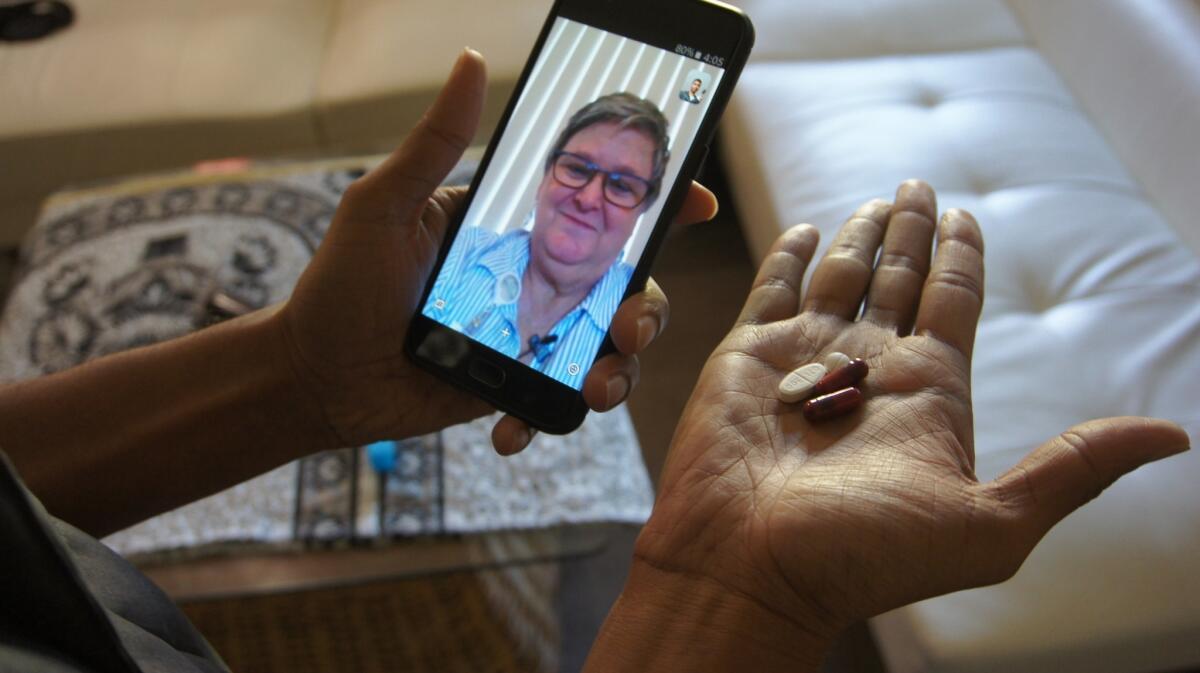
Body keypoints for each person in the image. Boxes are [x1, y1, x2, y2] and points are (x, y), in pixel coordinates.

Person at [0, 50, 1189, 672]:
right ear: (545, 173)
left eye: (629, 185)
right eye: (576, 167)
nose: (593, 195)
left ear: (642, 216)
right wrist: (735, 604)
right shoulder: (471, 274)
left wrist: (299, 379)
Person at [422, 92, 670, 388]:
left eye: (621, 186)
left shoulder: (625, 313)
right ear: (546, 176)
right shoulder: (460, 252)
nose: (588, 199)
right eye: (577, 168)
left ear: (642, 209)